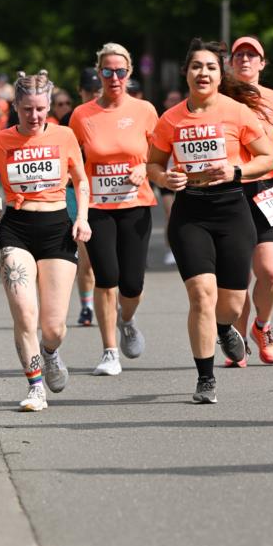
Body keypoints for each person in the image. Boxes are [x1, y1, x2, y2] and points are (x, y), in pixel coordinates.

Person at [147, 38, 273, 403]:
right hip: (191, 213)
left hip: (233, 211)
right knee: (201, 295)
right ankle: (205, 378)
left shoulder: (237, 113)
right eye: (196, 67)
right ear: (186, 73)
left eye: (210, 67)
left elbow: (268, 159)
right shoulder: (170, 119)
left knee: (232, 305)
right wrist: (164, 178)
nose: (202, 73)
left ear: (221, 75)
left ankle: (225, 328)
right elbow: (153, 165)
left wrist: (237, 170)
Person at [0, 71, 91, 412]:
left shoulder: (65, 136)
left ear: (49, 106)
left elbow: (81, 181)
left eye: (40, 109)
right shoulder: (0, 141)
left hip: (57, 228)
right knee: (25, 313)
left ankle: (50, 352)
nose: (34, 116)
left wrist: (82, 218)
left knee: (53, 327)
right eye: (27, 110)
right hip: (16, 228)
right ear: (16, 107)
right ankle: (35, 387)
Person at [70, 43, 158, 375]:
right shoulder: (82, 115)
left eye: (120, 71)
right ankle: (109, 352)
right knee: (106, 277)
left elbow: (161, 153)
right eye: (107, 72)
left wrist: (145, 167)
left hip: (136, 205)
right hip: (97, 206)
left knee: (132, 284)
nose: (114, 78)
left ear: (129, 73)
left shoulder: (145, 110)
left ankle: (127, 319)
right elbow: (72, 157)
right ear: (99, 73)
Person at [229, 36, 273, 365]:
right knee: (238, 275)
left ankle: (262, 326)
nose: (245, 59)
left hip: (268, 190)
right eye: (239, 55)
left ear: (262, 63)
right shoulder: (220, 100)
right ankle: (238, 340)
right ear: (230, 63)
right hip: (230, 191)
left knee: (270, 271)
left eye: (251, 55)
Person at [62, 67, 102, 326]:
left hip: (108, 193)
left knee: (110, 255)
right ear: (81, 91)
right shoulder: (71, 118)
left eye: (98, 91)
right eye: (90, 91)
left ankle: (110, 297)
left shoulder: (112, 115)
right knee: (85, 255)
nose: (94, 95)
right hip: (76, 193)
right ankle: (87, 305)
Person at [156, 89, 184, 265]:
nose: (174, 102)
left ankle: (185, 247)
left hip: (188, 176)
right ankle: (170, 249)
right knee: (170, 213)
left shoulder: (188, 119)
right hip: (167, 175)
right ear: (165, 103)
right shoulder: (163, 121)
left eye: (177, 99)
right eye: (171, 99)